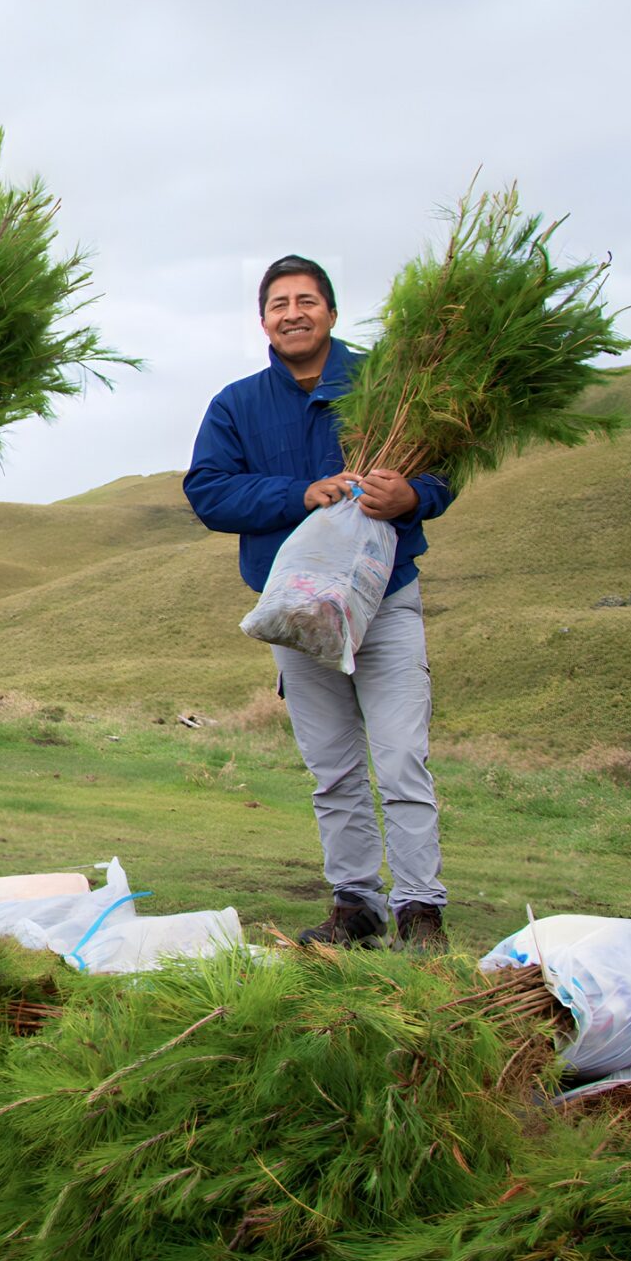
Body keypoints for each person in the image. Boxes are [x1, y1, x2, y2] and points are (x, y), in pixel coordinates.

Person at [184, 255, 455, 952]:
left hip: (384, 603)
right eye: (279, 303)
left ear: (331, 312)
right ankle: (355, 903)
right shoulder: (237, 405)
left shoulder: (386, 387)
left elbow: (443, 470)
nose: (293, 312)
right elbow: (208, 492)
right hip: (298, 616)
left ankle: (420, 909)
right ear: (263, 321)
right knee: (331, 766)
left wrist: (414, 497)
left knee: (400, 758)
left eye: (307, 299)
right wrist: (299, 492)